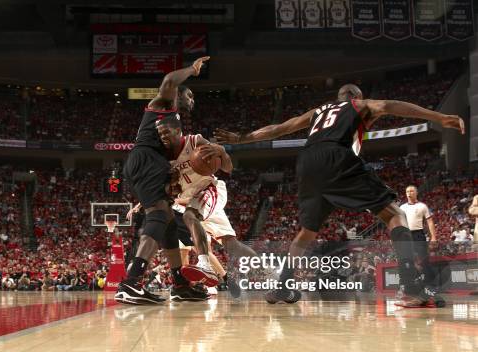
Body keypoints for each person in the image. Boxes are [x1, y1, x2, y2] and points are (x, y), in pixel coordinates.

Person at [215, 84, 464, 308]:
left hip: (307, 163)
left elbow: (279, 128)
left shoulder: (317, 112)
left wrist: (241, 139)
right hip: (336, 156)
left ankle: (282, 285)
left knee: (306, 233)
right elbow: (388, 105)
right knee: (395, 214)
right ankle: (412, 287)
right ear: (356, 96)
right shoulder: (358, 104)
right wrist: (438, 116)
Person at [116, 56, 212, 305]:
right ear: (178, 94)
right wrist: (192, 69)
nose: (192, 101)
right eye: (189, 96)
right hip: (145, 158)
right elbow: (169, 79)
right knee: (158, 214)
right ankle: (131, 282)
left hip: (152, 163)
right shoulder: (163, 104)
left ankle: (180, 284)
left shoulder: (174, 120)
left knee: (169, 222)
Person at [157, 118, 260, 298]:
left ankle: (204, 264)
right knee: (231, 244)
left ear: (178, 130)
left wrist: (221, 151)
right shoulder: (163, 158)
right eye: (160, 133)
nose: (163, 136)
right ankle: (270, 276)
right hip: (185, 202)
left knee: (190, 217)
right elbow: (164, 188)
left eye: (166, 132)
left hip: (208, 189)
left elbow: (228, 168)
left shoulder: (195, 141)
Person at [400, 185, 438, 294]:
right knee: (407, 261)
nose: (409, 193)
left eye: (411, 191)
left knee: (424, 260)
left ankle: (430, 286)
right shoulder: (402, 207)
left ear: (416, 193)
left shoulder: (423, 206)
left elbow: (430, 222)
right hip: (406, 235)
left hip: (418, 235)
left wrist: (434, 237)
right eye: (407, 191)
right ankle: (408, 287)